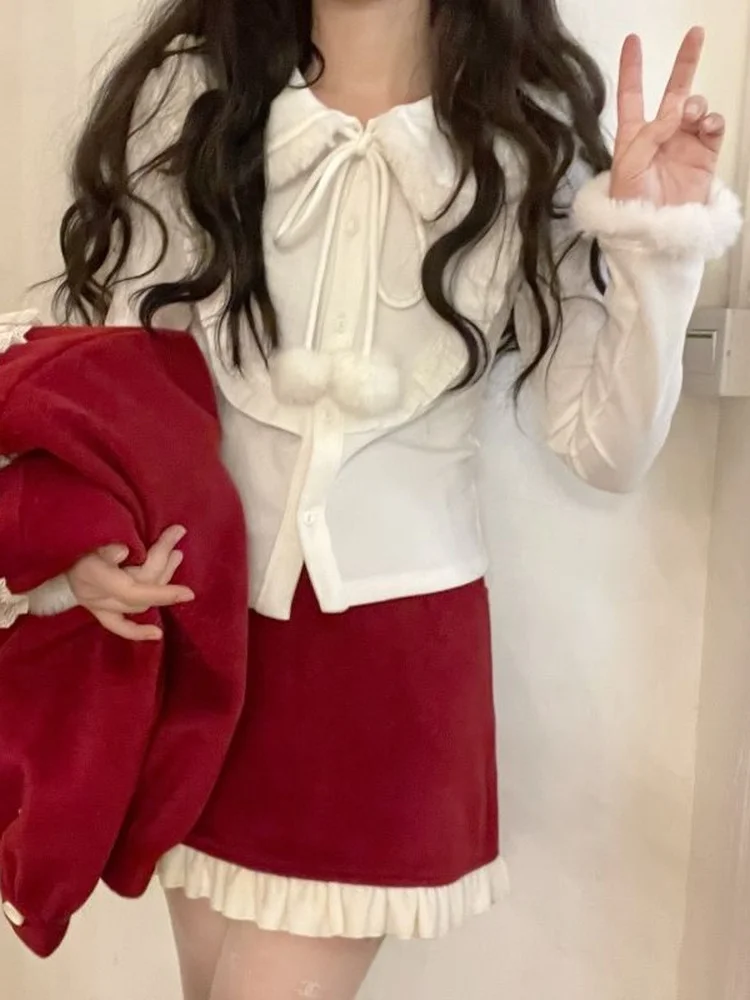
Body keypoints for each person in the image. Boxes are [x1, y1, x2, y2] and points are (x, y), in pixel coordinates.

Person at [3, 0, 742, 997]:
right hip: (204, 658)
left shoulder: (523, 136)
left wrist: (659, 250)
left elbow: (605, 450)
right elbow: (117, 370)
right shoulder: (197, 95)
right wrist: (84, 543)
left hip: (394, 679)